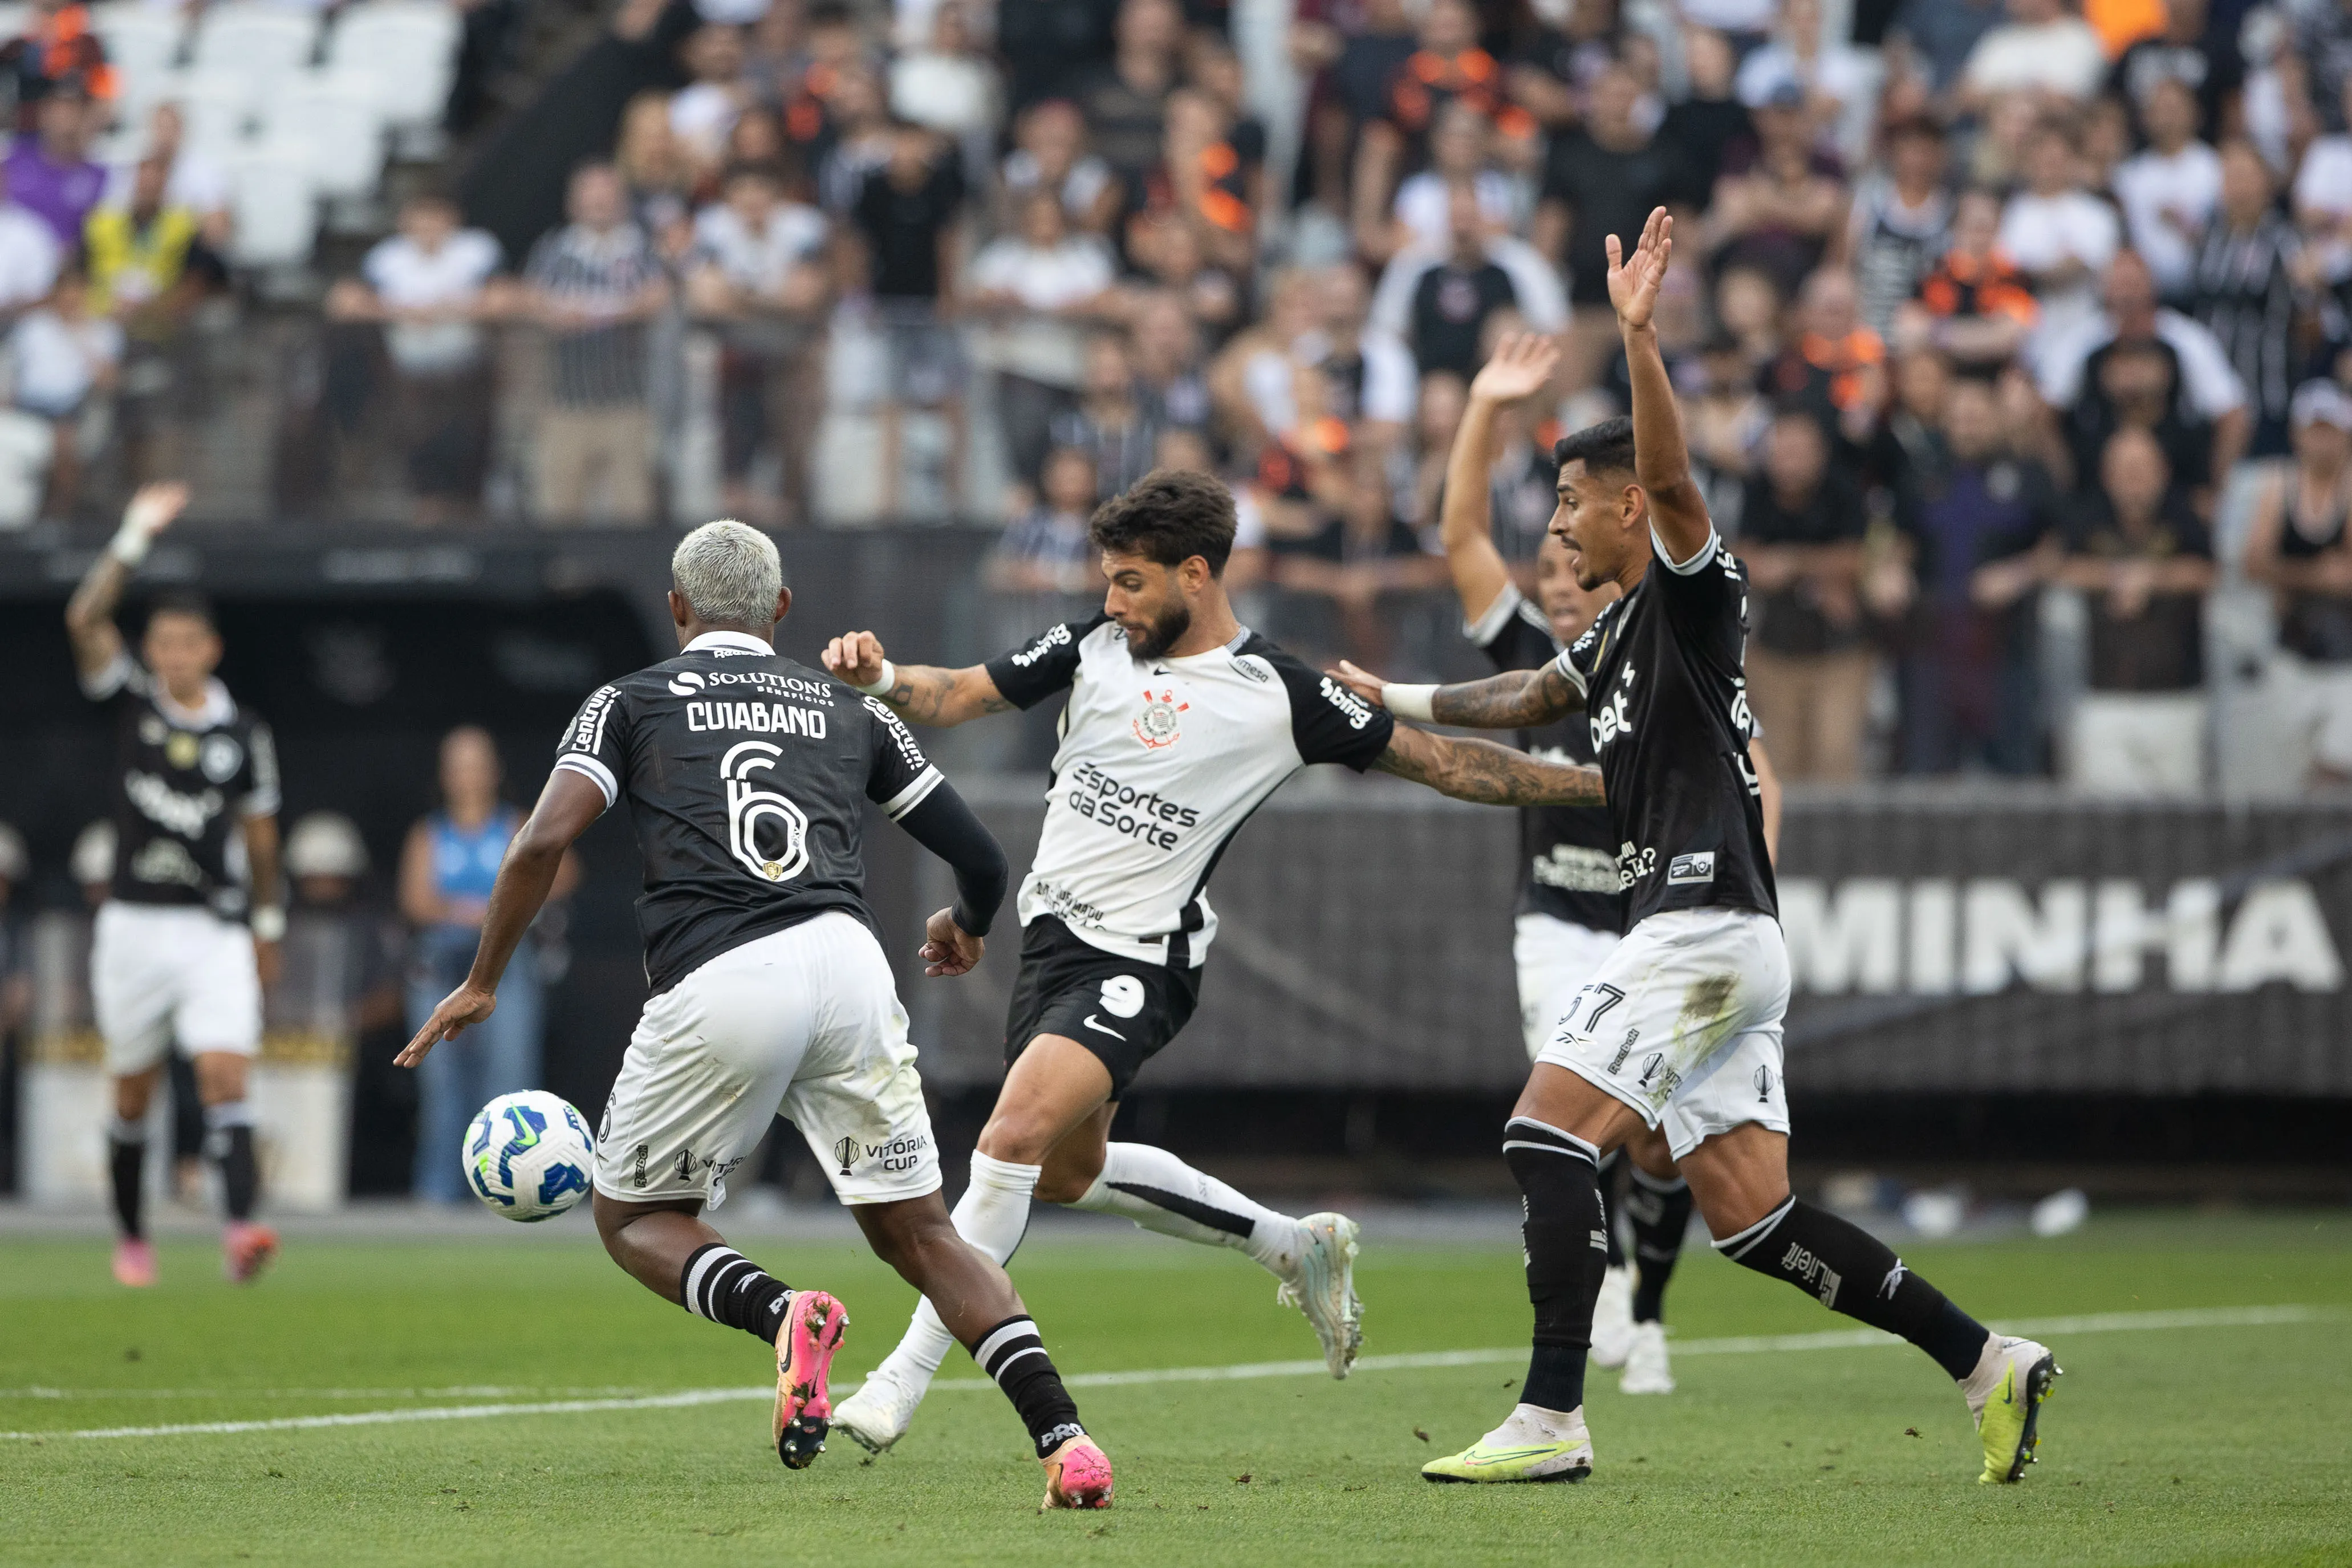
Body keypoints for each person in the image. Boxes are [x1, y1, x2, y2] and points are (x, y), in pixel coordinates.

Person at [1335, 209, 2058, 1487]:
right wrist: (1378, 709)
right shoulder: (1607, 642)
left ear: (1625, 506)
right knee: (1752, 1218)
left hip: (1700, 928)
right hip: (1720, 941)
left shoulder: (1686, 588)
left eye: (1570, 505)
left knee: (1543, 1138)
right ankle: (1985, 1359)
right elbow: (1515, 718)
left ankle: (1552, 1416)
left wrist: (1637, 338)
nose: (1556, 530)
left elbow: (1672, 483)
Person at [816, 466, 1611, 1455]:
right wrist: (882, 679)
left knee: (1009, 1138)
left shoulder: (1281, 691)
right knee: (1067, 1173)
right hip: (1052, 945)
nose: (1111, 602)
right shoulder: (1094, 643)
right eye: (1108, 581)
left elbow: (1446, 763)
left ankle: (900, 1382)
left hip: (1142, 961)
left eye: (1131, 583)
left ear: (1197, 574)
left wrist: (1599, 789)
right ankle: (1295, 1245)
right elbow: (961, 693)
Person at [399, 520, 1116, 1509]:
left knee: (636, 1217)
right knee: (924, 1234)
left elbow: (537, 844)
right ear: (781, 611)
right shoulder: (847, 704)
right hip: (852, 967)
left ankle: (785, 1314)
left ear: (676, 608)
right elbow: (986, 860)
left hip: (724, 975)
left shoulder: (630, 699)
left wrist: (482, 980)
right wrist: (967, 924)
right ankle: (1065, 1440)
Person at [1425, 332, 1784, 1398]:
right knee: (1583, 1126)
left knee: (1651, 1148)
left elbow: (1748, 761)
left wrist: (1637, 336)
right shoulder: (1556, 649)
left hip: (1675, 917)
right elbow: (1458, 544)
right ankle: (1596, 1326)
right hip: (1566, 915)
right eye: (1543, 553)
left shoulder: (1672, 616)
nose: (1556, 562)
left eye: (1568, 522)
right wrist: (1487, 404)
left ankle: (1605, 1348)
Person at [63, 484, 285, 1288]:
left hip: (213, 927)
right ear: (150, 649)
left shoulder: (242, 733)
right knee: (132, 1094)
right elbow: (85, 619)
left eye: (188, 643)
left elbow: (262, 835)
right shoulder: (129, 702)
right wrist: (132, 535)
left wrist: (267, 923)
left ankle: (241, 1230)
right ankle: (132, 1236)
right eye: (161, 642)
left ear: (211, 650)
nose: (173, 655)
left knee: (227, 1075)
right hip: (132, 924)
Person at [399, 726, 574, 1203]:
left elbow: (560, 873)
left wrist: (502, 911)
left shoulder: (518, 823)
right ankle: (436, 1196)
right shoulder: (429, 833)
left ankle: (512, 1192)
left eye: (476, 765)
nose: (468, 776)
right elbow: (415, 901)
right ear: (445, 776)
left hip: (505, 967)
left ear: (494, 772)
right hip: (441, 967)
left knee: (510, 1081)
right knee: (442, 1090)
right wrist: (480, 909)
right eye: (458, 766)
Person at [328, 191, 507, 526]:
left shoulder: (474, 250)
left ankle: (470, 516)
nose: (428, 227)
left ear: (452, 219)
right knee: (421, 455)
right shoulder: (388, 259)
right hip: (411, 379)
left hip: (466, 376)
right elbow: (343, 303)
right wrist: (403, 311)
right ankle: (427, 519)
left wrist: (442, 311)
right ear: (405, 222)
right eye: (420, 218)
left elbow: (502, 300)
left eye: (435, 217)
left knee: (469, 455)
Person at [2053, 426, 2215, 793]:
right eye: (2124, 470)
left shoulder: (2182, 513)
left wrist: (2152, 579)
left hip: (2178, 695)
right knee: (2108, 821)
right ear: (2107, 475)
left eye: (2142, 469)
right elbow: (2059, 567)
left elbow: (2211, 572)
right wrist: (2118, 578)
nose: (2134, 481)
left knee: (2181, 822)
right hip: (2105, 696)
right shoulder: (2089, 513)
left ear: (2163, 472)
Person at [522, 163, 670, 525]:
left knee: (632, 509)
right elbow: (534, 301)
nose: (600, 201)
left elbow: (655, 299)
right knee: (559, 508)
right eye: (591, 193)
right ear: (574, 201)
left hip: (628, 401)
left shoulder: (642, 250)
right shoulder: (554, 250)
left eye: (608, 193)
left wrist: (590, 315)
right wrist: (612, 310)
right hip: (566, 402)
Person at [2245, 380, 2352, 787]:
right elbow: (2251, 563)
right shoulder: (2277, 485)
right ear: (2296, 434)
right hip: (2293, 652)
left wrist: (2287, 574)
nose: (2321, 442)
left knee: (2335, 775)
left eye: (2330, 431)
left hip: (2345, 661)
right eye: (2314, 430)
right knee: (2286, 778)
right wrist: (2316, 575)